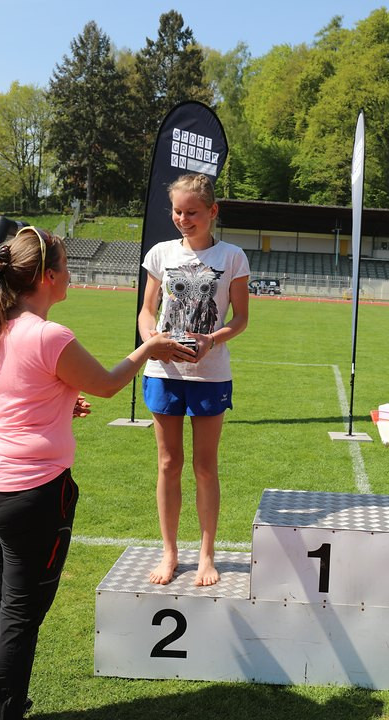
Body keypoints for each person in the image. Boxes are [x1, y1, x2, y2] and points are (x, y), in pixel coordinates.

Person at [0, 226, 187, 720]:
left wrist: (55, 399)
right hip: (29, 492)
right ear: (45, 277)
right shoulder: (49, 335)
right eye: (64, 266)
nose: (71, 274)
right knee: (19, 615)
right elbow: (106, 385)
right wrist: (148, 350)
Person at [137, 173, 250, 588]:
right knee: (169, 464)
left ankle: (206, 554)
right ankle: (169, 551)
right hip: (163, 371)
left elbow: (241, 319)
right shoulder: (160, 254)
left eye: (192, 213)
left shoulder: (233, 257)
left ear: (212, 211)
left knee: (205, 466)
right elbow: (146, 311)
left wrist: (212, 340)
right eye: (177, 211)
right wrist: (153, 339)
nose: (183, 219)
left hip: (209, 373)